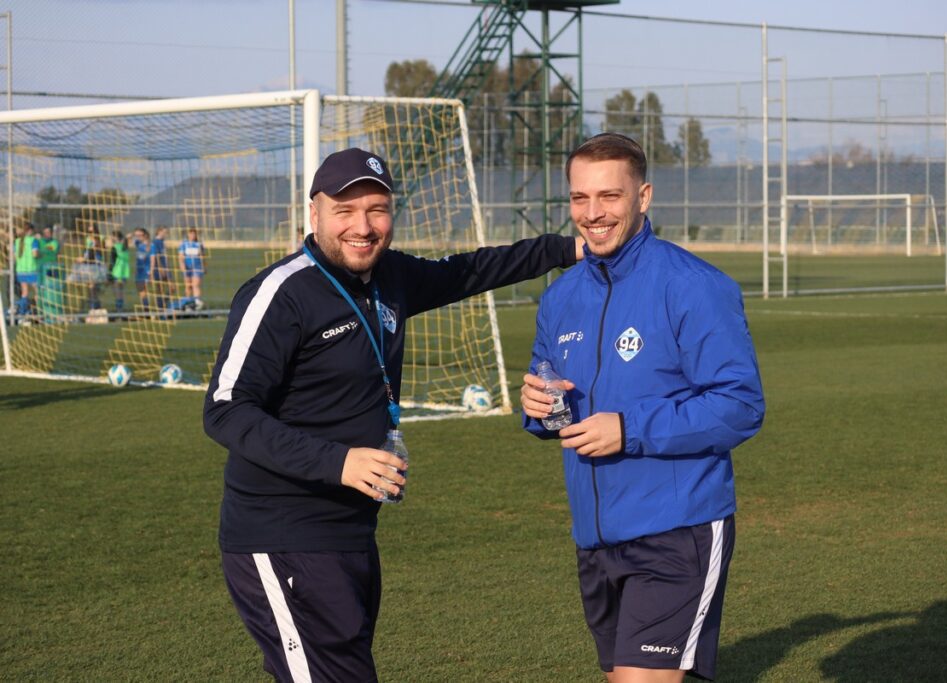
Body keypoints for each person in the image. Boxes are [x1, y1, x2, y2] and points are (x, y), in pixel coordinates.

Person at [203, 147, 583, 682]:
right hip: (282, 534)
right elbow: (225, 411)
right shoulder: (280, 294)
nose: (363, 226)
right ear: (314, 214)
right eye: (345, 210)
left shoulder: (390, 277)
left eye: (377, 209)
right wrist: (340, 463)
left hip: (350, 532)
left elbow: (469, 271)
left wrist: (567, 247)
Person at [520, 133, 765, 683]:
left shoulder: (694, 286)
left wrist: (629, 430)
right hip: (595, 537)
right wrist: (538, 406)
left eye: (609, 196)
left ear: (644, 196)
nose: (593, 213)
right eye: (580, 198)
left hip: (677, 529)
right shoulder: (560, 297)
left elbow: (740, 405)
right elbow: (548, 388)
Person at [12, 222, 41, 319]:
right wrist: (41, 254)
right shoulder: (34, 241)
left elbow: (14, 257)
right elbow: (35, 254)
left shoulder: (17, 241)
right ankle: (39, 312)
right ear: (31, 231)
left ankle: (21, 312)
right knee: (38, 292)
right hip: (31, 270)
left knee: (25, 292)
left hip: (20, 271)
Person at [177, 227, 206, 310]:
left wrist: (203, 267)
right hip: (187, 268)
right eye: (191, 233)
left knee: (195, 285)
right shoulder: (184, 244)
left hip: (197, 267)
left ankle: (197, 302)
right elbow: (181, 257)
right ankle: (188, 302)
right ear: (188, 234)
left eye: (194, 233)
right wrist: (182, 267)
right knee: (188, 286)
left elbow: (202, 256)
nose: (192, 235)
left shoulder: (199, 244)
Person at [108, 230, 132, 315]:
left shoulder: (115, 247)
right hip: (124, 273)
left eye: (111, 236)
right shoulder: (125, 247)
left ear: (115, 237)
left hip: (117, 273)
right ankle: (121, 309)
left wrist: (109, 273)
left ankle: (119, 310)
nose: (110, 238)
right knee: (121, 292)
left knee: (117, 292)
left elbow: (112, 262)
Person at [133, 228, 152, 310]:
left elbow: (153, 258)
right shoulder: (138, 244)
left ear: (145, 235)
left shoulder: (149, 245)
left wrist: (150, 271)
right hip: (139, 271)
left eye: (140, 235)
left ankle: (147, 310)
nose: (138, 237)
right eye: (136, 235)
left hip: (146, 271)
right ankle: (146, 309)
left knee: (145, 291)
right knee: (141, 291)